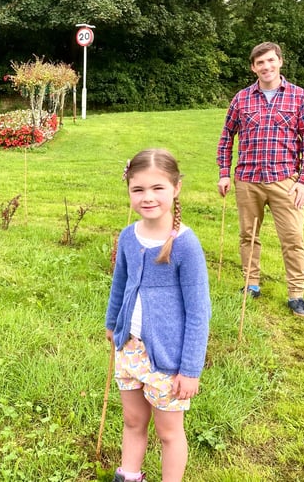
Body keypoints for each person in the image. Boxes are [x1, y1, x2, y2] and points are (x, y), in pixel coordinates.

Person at [105, 149, 211, 482]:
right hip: (130, 349)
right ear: (129, 192)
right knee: (133, 421)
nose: (147, 197)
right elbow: (120, 284)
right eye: (138, 190)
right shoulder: (127, 236)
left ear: (176, 188)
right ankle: (129, 475)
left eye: (157, 188)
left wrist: (190, 369)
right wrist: (112, 325)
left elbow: (198, 312)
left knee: (168, 432)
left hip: (168, 358)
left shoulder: (185, 245)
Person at [217, 41, 304, 317]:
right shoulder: (242, 98)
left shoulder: (298, 97)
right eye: (260, 63)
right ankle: (251, 284)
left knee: (293, 237)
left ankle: (296, 295)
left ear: (280, 62)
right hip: (247, 180)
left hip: (285, 181)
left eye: (271, 61)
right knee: (248, 235)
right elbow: (226, 138)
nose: (266, 66)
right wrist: (225, 173)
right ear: (253, 67)